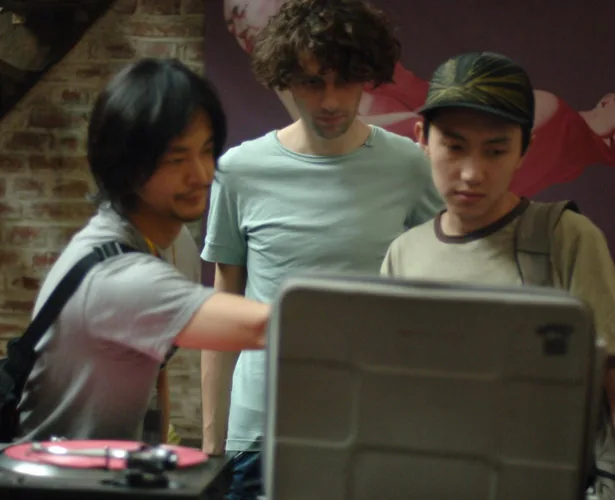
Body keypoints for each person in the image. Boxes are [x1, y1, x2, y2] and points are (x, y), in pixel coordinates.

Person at [201, 0, 443, 497]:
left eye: (345, 81)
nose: (330, 100)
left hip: (366, 428)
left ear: (366, 77)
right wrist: (211, 446)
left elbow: (440, 288)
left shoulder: (408, 166)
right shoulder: (239, 171)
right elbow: (222, 309)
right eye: (312, 82)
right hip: (260, 431)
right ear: (286, 81)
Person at [380, 51, 615, 499]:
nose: (472, 173)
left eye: (496, 150)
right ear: (422, 139)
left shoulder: (566, 237)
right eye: (454, 146)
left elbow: (610, 374)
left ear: (524, 149)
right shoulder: (403, 254)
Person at [16, 58, 270, 444]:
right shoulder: (118, 278)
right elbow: (265, 327)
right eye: (176, 159)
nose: (202, 174)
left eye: (206, 151)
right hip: (61, 473)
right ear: (128, 166)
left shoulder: (171, 245)